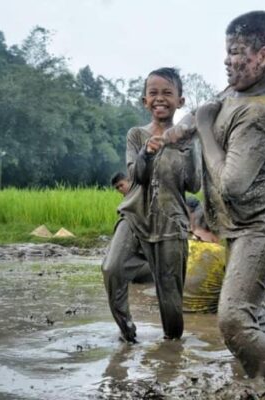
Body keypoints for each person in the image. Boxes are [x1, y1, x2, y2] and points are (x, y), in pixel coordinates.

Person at [168, 11, 265, 380]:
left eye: (237, 51)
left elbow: (232, 185)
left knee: (233, 318)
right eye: (226, 51)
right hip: (240, 224)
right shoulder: (235, 94)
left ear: (264, 57)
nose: (227, 60)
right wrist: (170, 135)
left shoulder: (260, 114)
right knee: (250, 312)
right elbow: (198, 116)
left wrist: (206, 128)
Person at [101, 67, 200, 343]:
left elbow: (195, 185)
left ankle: (172, 348)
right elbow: (137, 177)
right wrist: (146, 153)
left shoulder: (190, 138)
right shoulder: (136, 135)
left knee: (170, 297)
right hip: (135, 215)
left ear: (180, 101)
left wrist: (187, 147)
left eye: (168, 93)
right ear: (145, 101)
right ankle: (127, 333)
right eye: (153, 93)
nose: (160, 98)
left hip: (171, 223)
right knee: (113, 268)